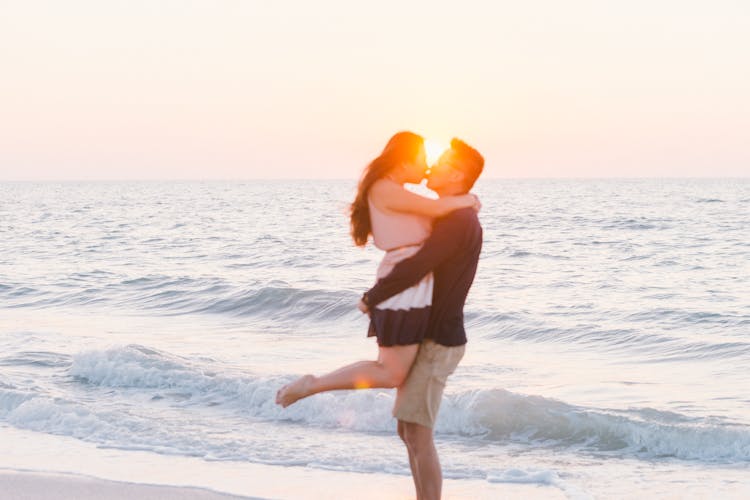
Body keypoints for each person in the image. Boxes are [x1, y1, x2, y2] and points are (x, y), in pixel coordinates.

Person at [275, 131, 479, 407]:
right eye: (423, 158)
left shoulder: (392, 190)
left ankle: (314, 385)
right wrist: (468, 200)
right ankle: (312, 385)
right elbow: (438, 208)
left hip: (411, 285)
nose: (428, 166)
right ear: (405, 161)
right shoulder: (385, 189)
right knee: (391, 372)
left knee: (389, 369)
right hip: (403, 282)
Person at [359, 138, 484, 500]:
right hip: (427, 334)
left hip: (440, 339)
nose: (430, 167)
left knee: (418, 434)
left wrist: (372, 297)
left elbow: (417, 265)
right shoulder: (453, 213)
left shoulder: (458, 220)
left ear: (458, 173)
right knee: (407, 431)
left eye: (441, 161)